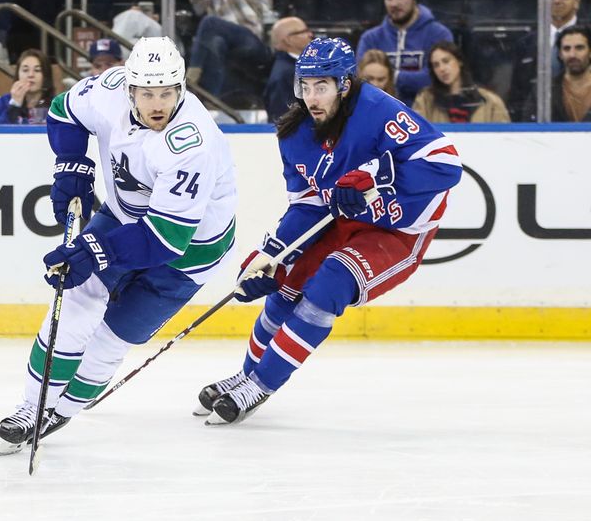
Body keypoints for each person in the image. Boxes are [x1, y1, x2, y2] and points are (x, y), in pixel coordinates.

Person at [195, 37, 462, 425]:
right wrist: (272, 255)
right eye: (304, 86)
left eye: (321, 86)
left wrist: (373, 179)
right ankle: (247, 374)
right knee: (284, 282)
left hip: (400, 225)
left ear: (345, 85)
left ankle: (261, 385)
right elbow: (307, 203)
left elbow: (445, 164)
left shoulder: (378, 110)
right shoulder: (295, 134)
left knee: (331, 282)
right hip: (343, 218)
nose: (311, 96)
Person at [0, 36, 238, 454]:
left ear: (181, 88)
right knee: (75, 298)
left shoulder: (192, 142)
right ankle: (31, 408)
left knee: (113, 338)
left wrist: (95, 251)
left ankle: (63, 410)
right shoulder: (107, 90)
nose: (157, 103)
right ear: (129, 88)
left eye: (167, 92)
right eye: (147, 93)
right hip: (125, 217)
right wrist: (70, 164)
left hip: (190, 251)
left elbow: (165, 239)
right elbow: (63, 113)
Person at [357, 0, 453, 106]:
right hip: (381, 111)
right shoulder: (370, 38)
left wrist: (392, 77)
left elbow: (435, 79)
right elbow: (360, 80)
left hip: (428, 112)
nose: (394, 3)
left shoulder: (438, 34)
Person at [509, 0, 583, 120]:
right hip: (534, 126)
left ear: (577, 2)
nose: (556, 0)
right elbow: (517, 93)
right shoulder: (525, 43)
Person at [185, 0, 274, 97]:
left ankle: (192, 74)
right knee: (216, 43)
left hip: (251, 38)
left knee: (209, 21)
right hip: (222, 37)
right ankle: (213, 98)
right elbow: (199, 9)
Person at [413, 41, 510, 123]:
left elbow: (505, 139)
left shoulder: (490, 101)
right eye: (436, 65)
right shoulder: (425, 100)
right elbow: (417, 137)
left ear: (459, 61)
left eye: (446, 61)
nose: (441, 68)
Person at [525, 25, 591, 122]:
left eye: (579, 48)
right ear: (560, 54)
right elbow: (528, 129)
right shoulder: (543, 91)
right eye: (566, 49)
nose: (572, 55)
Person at [0, 49, 55, 125]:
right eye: (25, 70)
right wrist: (14, 105)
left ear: (46, 76)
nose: (31, 75)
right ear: (18, 75)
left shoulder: (57, 105)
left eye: (37, 70)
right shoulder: (3, 102)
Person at [263, 17, 313, 122]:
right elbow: (283, 120)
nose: (310, 35)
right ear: (288, 40)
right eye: (303, 32)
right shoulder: (285, 75)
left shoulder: (295, 68)